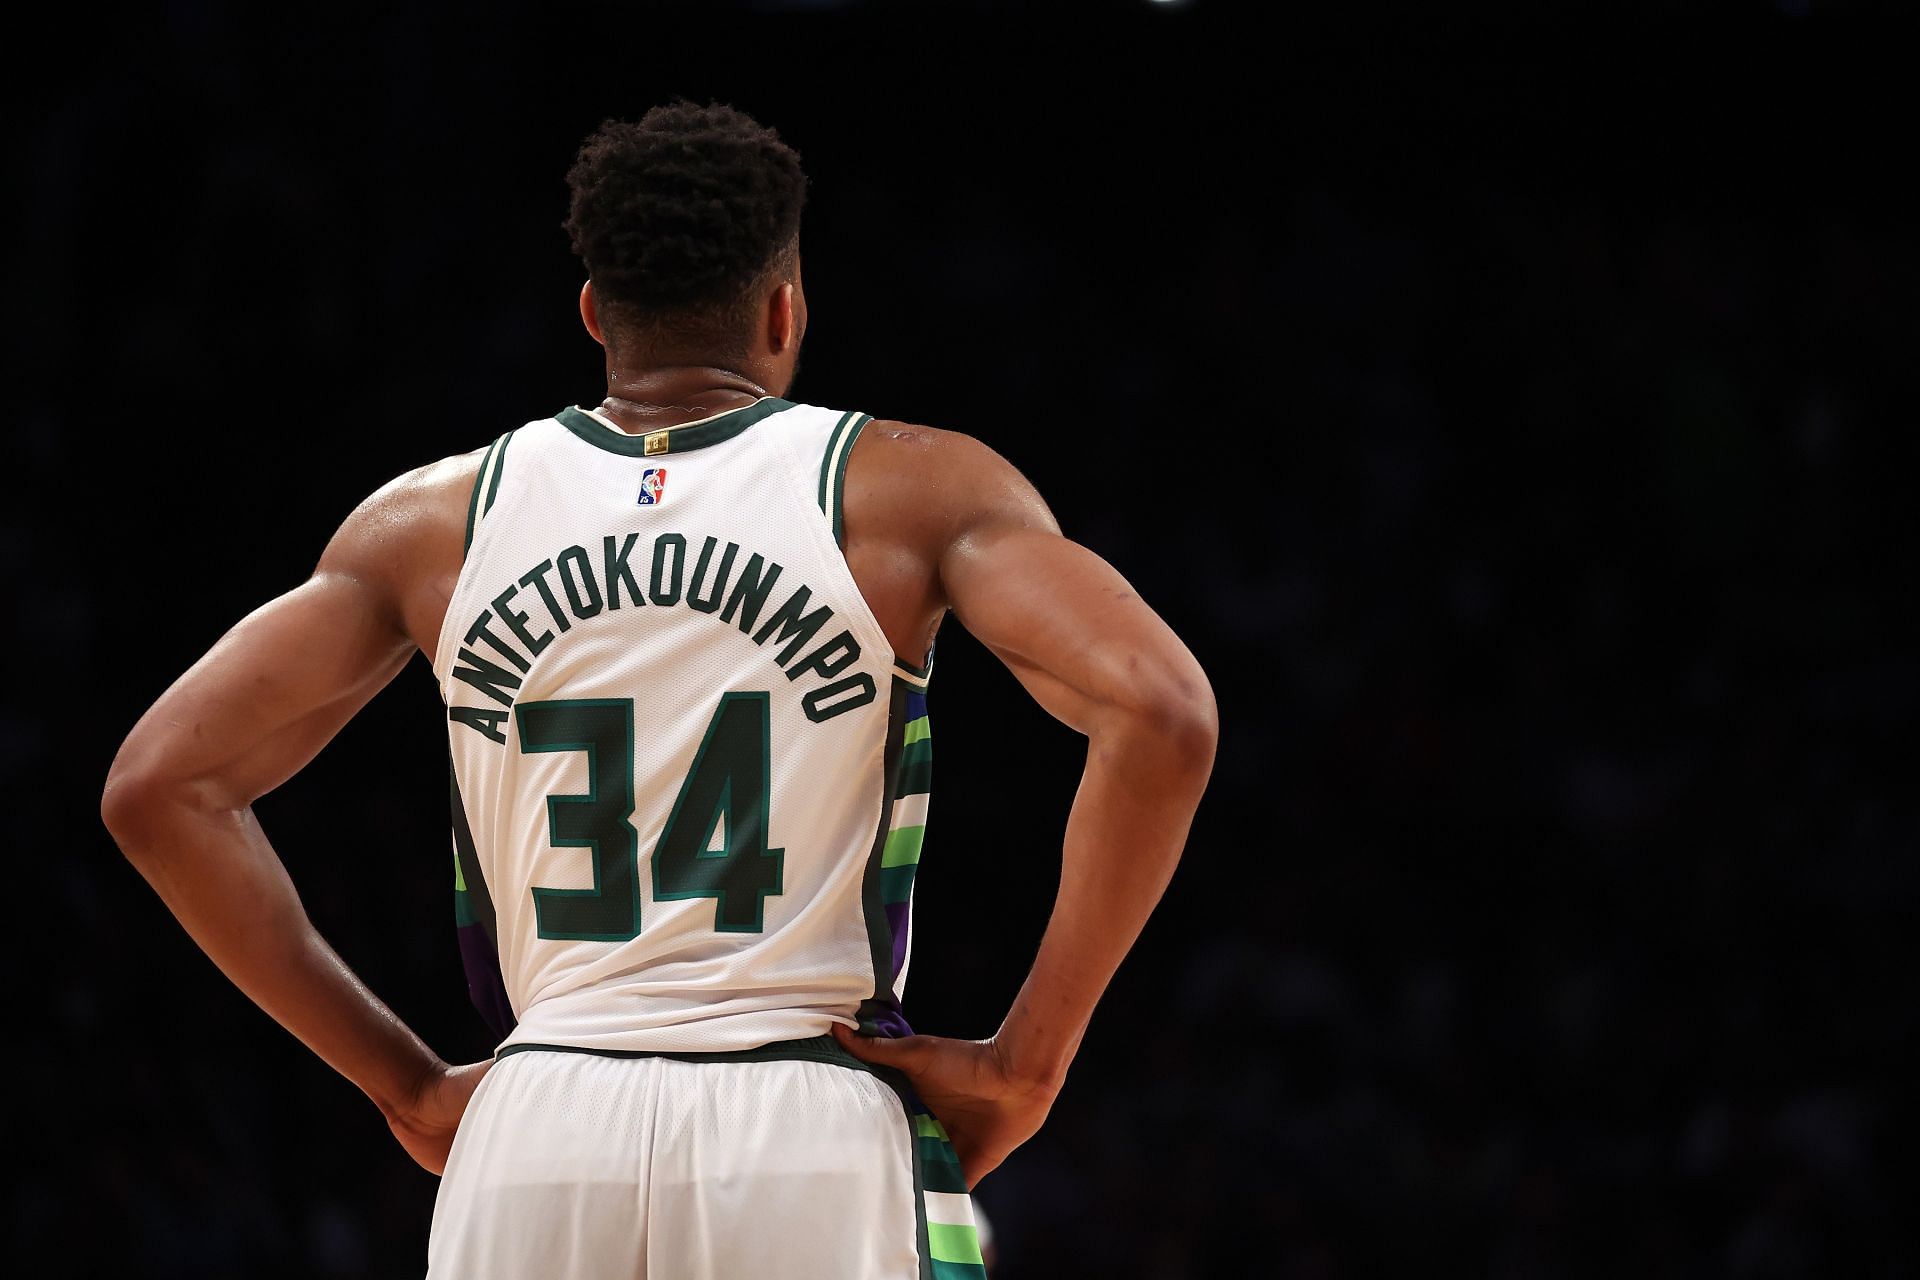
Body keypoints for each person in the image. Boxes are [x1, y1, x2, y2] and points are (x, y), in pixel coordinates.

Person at [101, 101, 1216, 1279]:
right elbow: (1160, 706)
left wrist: (408, 1084)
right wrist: (1027, 1059)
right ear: (786, 306)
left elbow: (160, 785)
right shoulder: (903, 493)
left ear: (592, 313)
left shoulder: (430, 525)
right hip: (802, 1113)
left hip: (536, 1130)